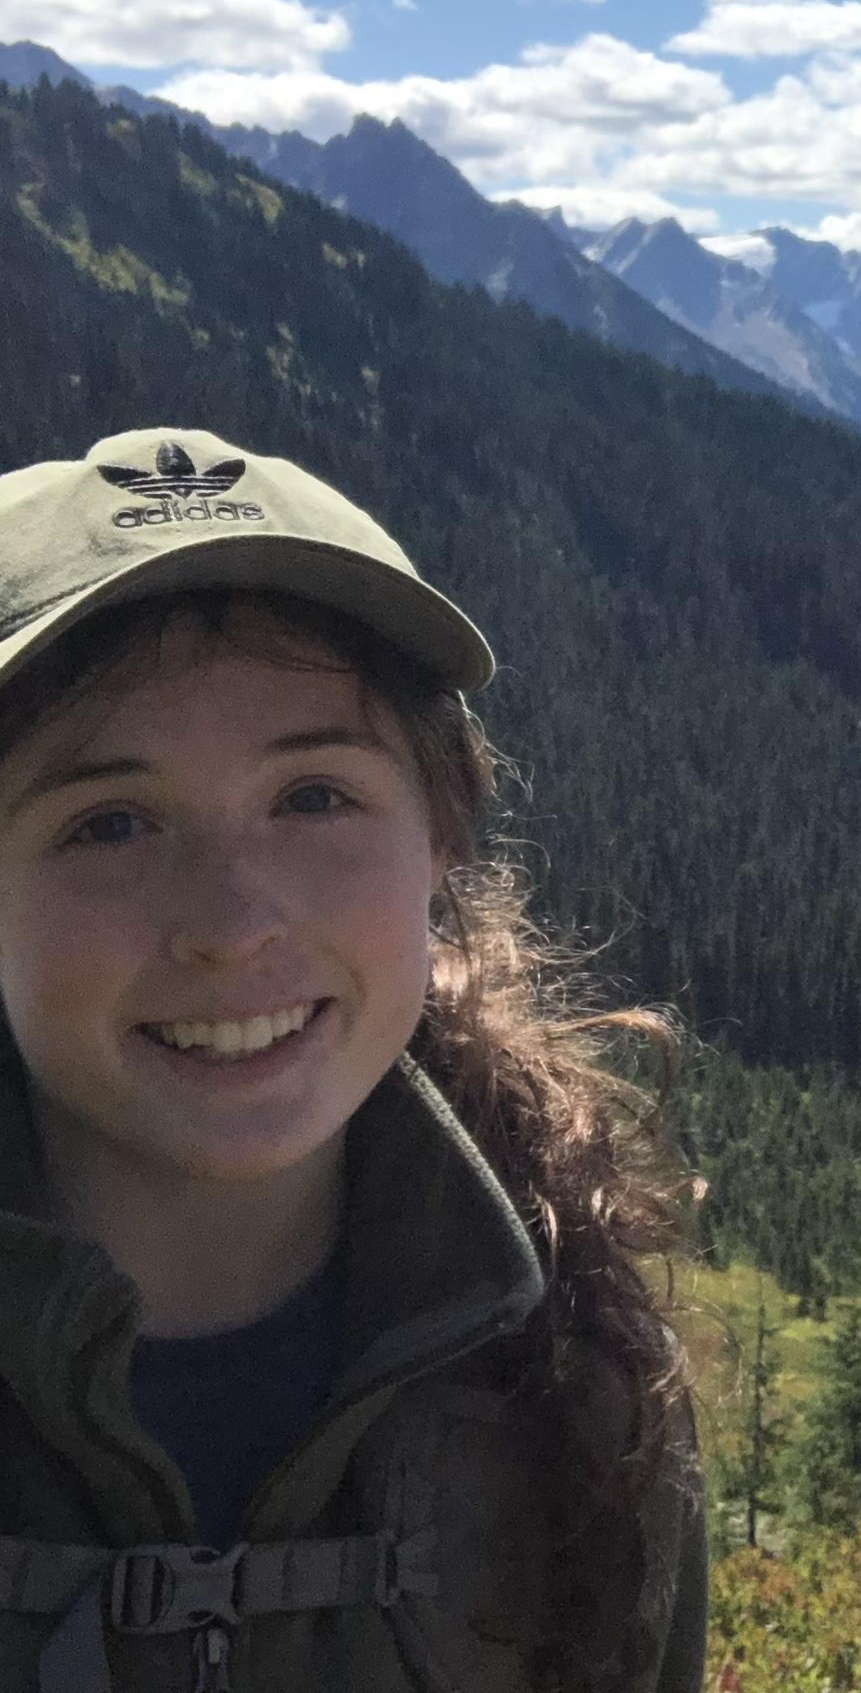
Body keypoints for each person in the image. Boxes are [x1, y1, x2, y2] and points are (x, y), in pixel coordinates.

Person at [0, 428, 705, 1692]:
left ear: (440, 835)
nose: (233, 923)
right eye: (109, 822)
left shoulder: (581, 1390)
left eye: (314, 796)